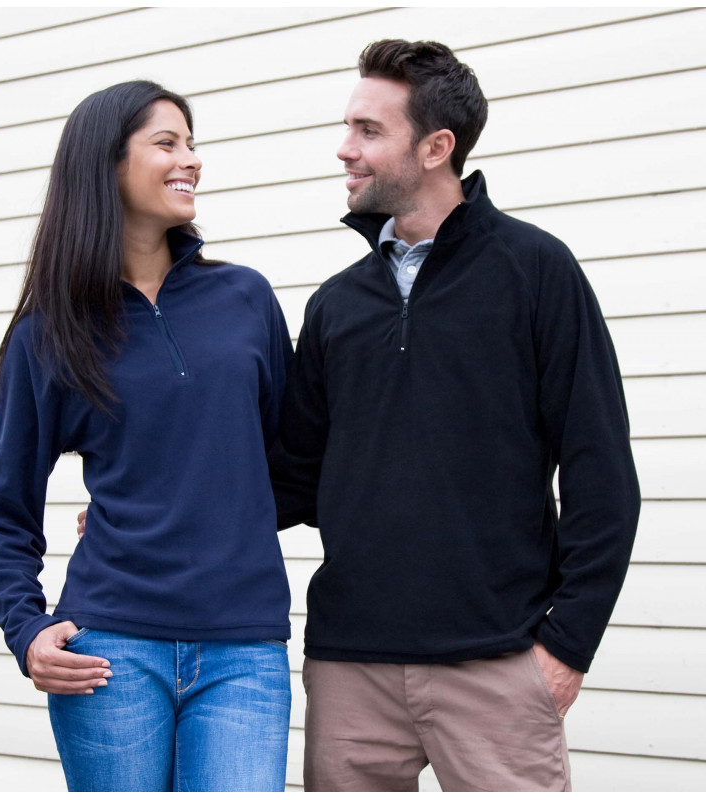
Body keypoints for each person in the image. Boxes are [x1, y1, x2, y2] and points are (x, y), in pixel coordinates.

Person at [275, 39, 641, 791]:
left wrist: (566, 648)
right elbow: (290, 480)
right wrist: (150, 504)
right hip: (349, 668)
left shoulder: (536, 271)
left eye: (368, 130)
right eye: (348, 128)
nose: (345, 149)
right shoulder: (336, 304)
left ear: (436, 147)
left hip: (498, 664)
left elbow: (601, 470)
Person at [0, 80, 293, 792]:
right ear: (107, 163)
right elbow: (6, 506)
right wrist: (26, 628)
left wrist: (196, 510)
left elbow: (289, 460)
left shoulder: (245, 298)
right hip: (109, 650)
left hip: (244, 647)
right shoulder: (47, 334)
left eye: (192, 144)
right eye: (167, 143)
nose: (192, 160)